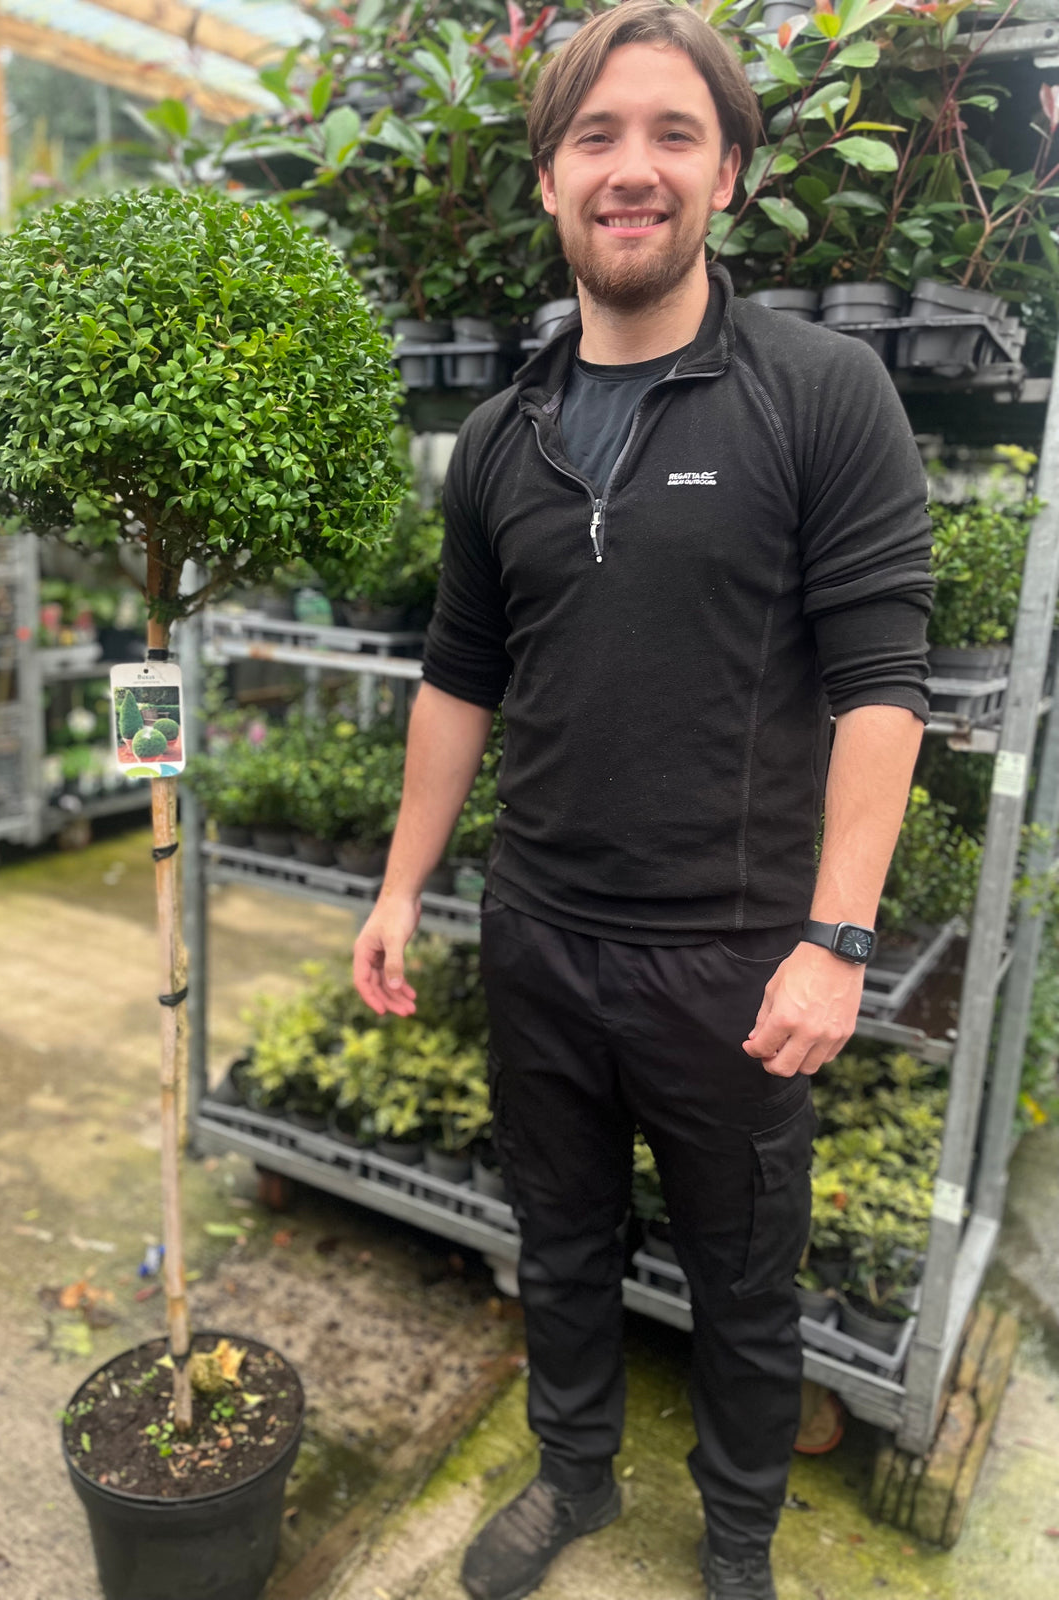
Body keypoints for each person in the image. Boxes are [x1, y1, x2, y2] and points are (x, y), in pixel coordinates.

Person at [353, 4, 933, 1597]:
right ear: (549, 179)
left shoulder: (822, 396)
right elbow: (461, 676)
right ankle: (576, 1481)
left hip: (735, 961)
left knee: (748, 1278)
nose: (634, 169)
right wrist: (403, 889)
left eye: (673, 134)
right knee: (558, 1238)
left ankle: (740, 1538)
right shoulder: (498, 436)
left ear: (728, 173)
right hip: (537, 932)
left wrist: (837, 936)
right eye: (597, 137)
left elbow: (884, 684)